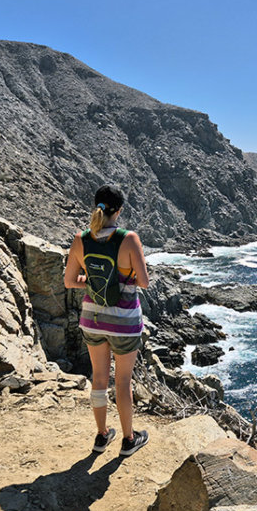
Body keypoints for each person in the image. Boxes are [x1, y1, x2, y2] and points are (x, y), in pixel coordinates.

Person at [64, 184, 150, 456]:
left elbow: (69, 281)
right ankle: (128, 439)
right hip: (124, 322)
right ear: (120, 210)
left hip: (92, 319)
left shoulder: (81, 238)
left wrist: (92, 282)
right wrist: (123, 280)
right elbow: (144, 282)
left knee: (99, 377)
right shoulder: (128, 239)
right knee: (123, 382)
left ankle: (101, 436)